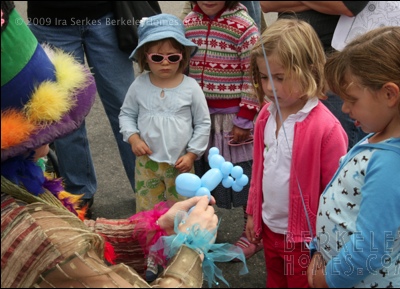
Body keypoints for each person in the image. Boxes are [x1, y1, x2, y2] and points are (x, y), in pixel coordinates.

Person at [1, 3, 220, 287]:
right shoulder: (43, 239)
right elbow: (64, 245)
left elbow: (80, 234)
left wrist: (153, 226)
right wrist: (192, 250)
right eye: (48, 123)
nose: (56, 134)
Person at [307, 26, 400, 288]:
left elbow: (369, 249)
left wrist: (327, 280)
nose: (345, 108)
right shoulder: (380, 136)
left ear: (389, 94)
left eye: (352, 99)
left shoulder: (391, 165)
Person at [245, 19, 348, 287]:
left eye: (279, 78)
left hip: (305, 239)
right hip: (269, 228)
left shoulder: (326, 130)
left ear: (309, 71)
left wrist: (328, 243)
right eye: (264, 77)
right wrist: (252, 214)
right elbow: (259, 171)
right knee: (275, 281)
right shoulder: (265, 115)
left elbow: (337, 195)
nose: (269, 87)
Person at [26, 1, 151, 214]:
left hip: (105, 16)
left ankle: (147, 188)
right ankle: (79, 191)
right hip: (50, 21)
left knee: (127, 106)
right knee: (65, 115)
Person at [119, 13, 211, 281]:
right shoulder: (139, 85)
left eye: (173, 56)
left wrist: (193, 153)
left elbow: (203, 123)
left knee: (181, 211)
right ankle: (152, 255)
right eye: (157, 57)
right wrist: (133, 138)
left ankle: (182, 257)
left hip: (180, 165)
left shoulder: (191, 88)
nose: (166, 63)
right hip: (147, 164)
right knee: (149, 213)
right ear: (145, 57)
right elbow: (126, 114)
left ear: (183, 55)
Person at [183, 1, 262, 259]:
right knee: (203, 176)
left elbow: (254, 75)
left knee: (244, 177)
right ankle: (203, 229)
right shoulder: (188, 24)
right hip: (200, 117)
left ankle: (253, 232)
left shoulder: (244, 27)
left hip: (233, 118)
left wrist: (245, 117)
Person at [260, 1, 369, 150]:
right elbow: (266, 4)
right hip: (288, 57)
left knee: (334, 146)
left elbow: (349, 6)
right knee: (287, 146)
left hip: (334, 68)